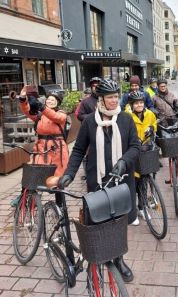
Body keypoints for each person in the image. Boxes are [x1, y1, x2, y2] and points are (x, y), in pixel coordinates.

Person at [58, 79, 140, 283]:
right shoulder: (89, 122)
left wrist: (123, 161)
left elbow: (135, 146)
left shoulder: (125, 119)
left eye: (115, 96)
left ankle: (119, 260)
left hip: (122, 180)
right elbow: (78, 150)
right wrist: (69, 173)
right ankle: (100, 255)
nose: (114, 100)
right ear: (100, 99)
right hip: (98, 180)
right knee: (100, 220)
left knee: (119, 222)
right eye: (110, 97)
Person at [19, 86, 69, 176]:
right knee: (34, 172)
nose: (50, 101)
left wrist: (42, 107)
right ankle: (30, 189)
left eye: (53, 100)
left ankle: (55, 188)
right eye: (48, 99)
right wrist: (23, 99)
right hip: (41, 148)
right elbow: (27, 111)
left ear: (58, 103)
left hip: (57, 149)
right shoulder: (40, 115)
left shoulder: (62, 114)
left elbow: (55, 117)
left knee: (56, 176)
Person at [126, 90, 157, 225]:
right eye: (136, 103)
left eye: (141, 102)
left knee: (144, 182)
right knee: (133, 183)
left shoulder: (149, 114)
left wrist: (152, 129)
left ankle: (142, 207)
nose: (139, 105)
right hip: (133, 152)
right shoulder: (127, 116)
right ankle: (132, 213)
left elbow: (154, 125)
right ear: (132, 105)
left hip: (145, 150)